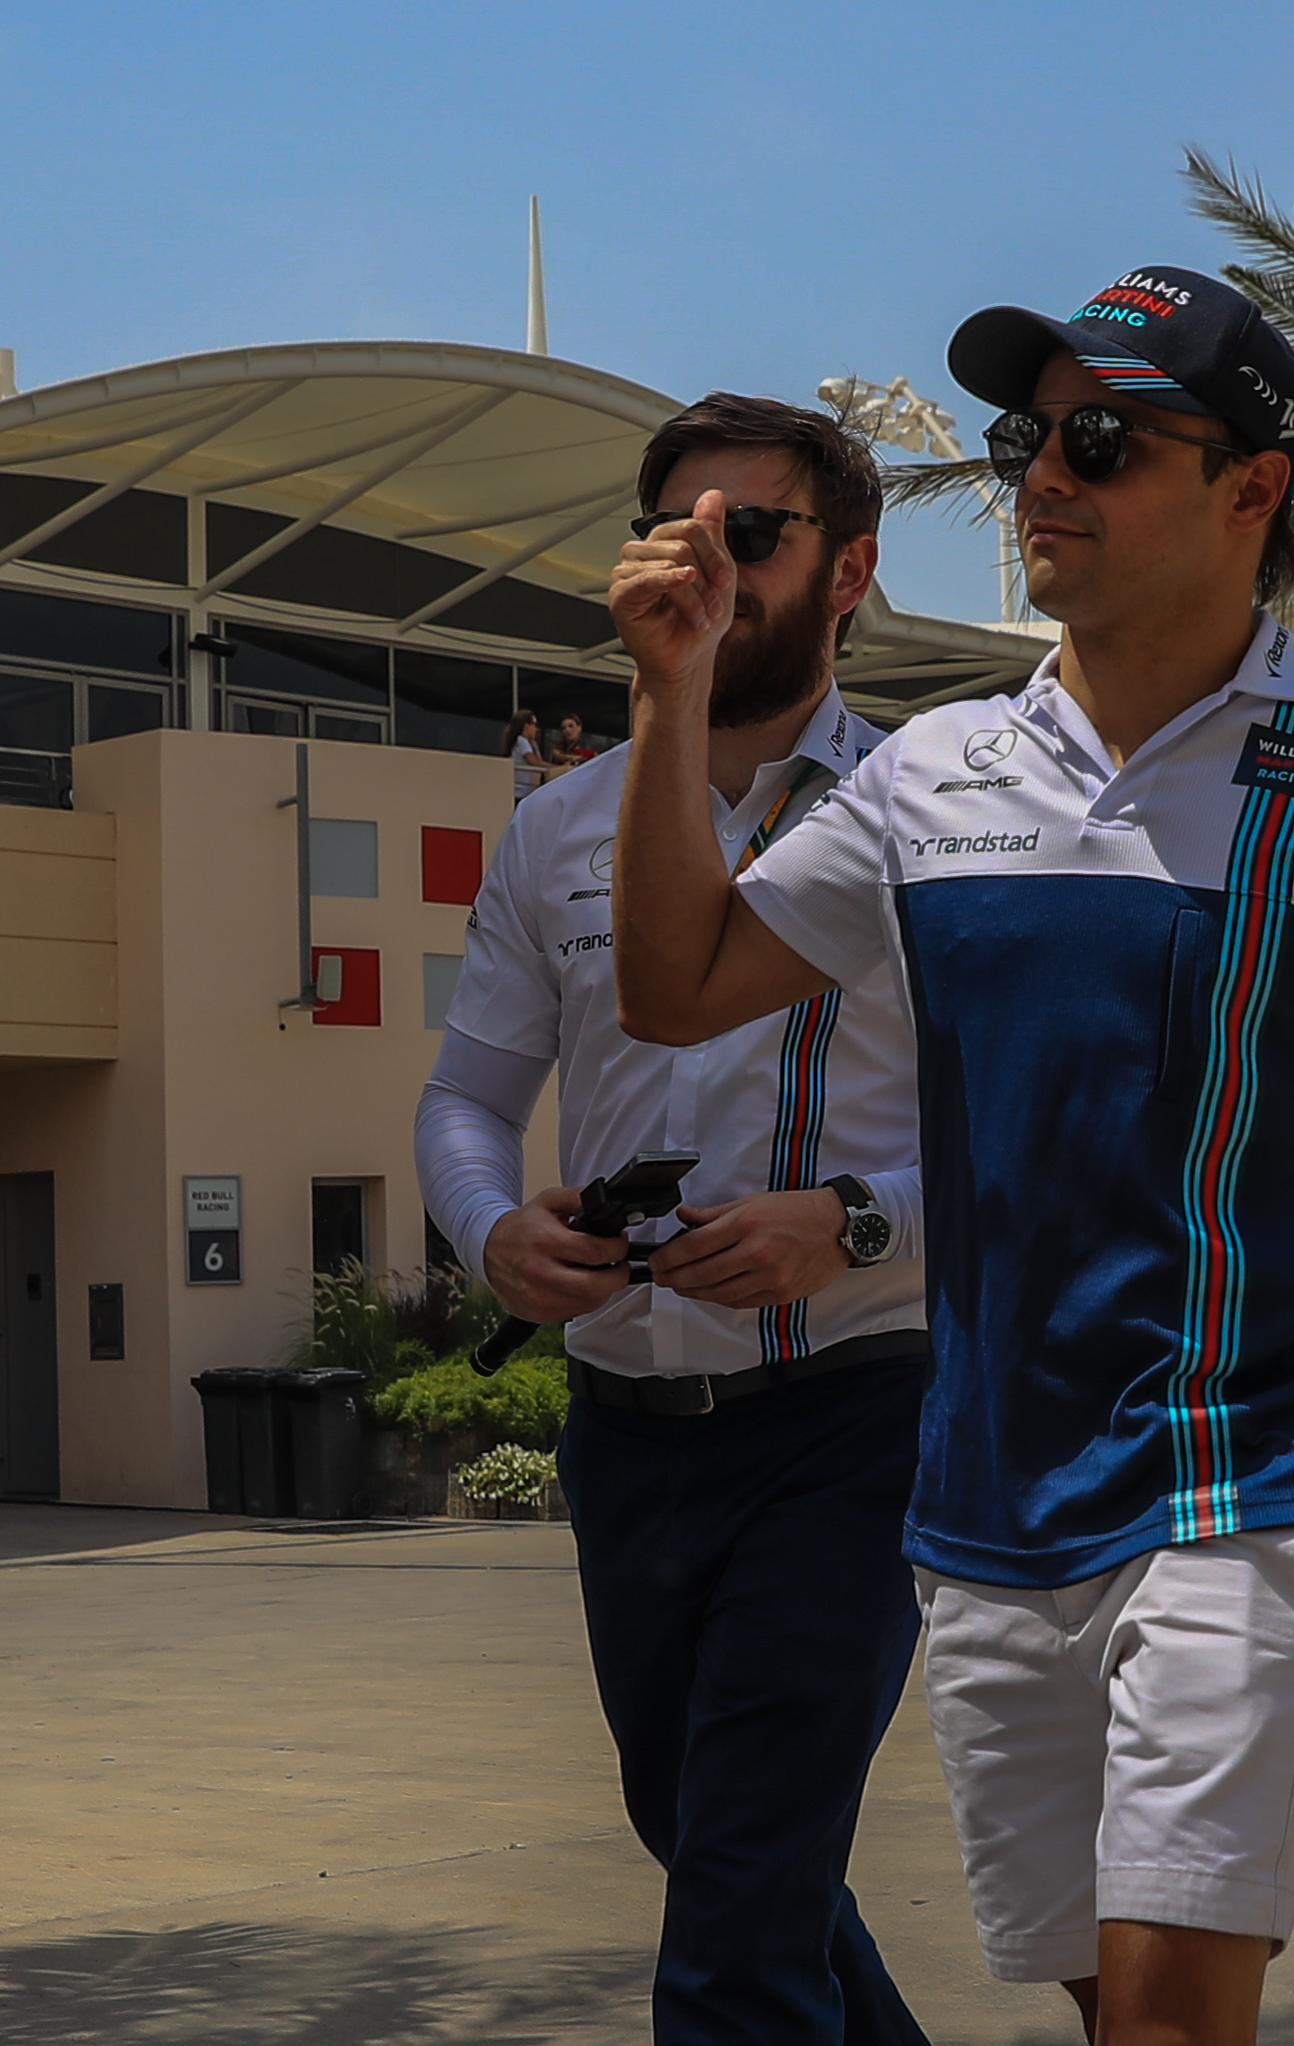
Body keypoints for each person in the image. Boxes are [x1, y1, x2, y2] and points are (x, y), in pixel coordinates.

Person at [608, 264, 1294, 2046]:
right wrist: (671, 693)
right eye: (1027, 439)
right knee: (1113, 2006)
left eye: (1101, 443)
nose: (1042, 477)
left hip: (1249, 1472)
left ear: (1250, 488)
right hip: (983, 1498)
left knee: (1174, 2011)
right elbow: (674, 985)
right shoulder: (928, 775)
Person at [415, 393, 931, 2046]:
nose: (706, 563)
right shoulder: (557, 829)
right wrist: (493, 1232)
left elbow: (1043, 1132)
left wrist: (851, 1224)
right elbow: (464, 1099)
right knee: (708, 1837)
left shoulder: (938, 811)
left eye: (750, 532)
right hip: (625, 1430)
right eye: (673, 531)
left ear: (848, 570)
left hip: (852, 1416)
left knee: (735, 1912)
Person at [503, 705, 549, 801]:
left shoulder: (519, 741)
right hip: (521, 793)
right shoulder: (522, 741)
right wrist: (557, 767)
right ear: (526, 725)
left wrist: (534, 744)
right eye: (535, 725)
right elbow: (533, 762)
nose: (537, 729)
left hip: (521, 792)